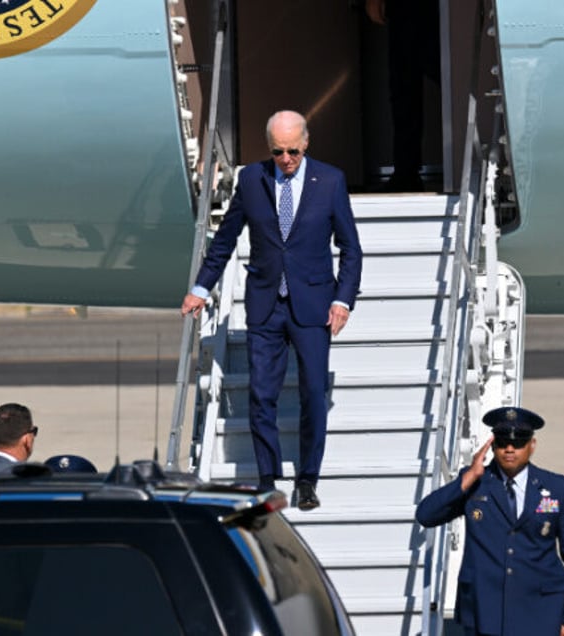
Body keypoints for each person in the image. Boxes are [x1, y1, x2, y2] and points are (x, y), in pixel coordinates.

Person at [181, 110, 363, 510]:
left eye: (293, 151)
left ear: (306, 143)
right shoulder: (251, 179)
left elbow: (351, 249)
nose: (286, 159)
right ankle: (267, 477)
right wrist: (200, 287)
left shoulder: (329, 181)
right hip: (266, 304)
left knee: (314, 393)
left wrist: (342, 300)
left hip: (313, 305)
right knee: (262, 395)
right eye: (278, 152)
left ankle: (308, 479)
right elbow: (225, 239)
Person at [416, 407, 564, 636]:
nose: (509, 449)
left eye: (518, 443)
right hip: (486, 611)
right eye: (503, 442)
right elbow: (426, 515)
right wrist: (467, 478)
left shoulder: (557, 488)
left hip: (541, 611)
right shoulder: (475, 484)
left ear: (532, 445)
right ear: (493, 445)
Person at [365, 0, 441, 192]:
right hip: (407, 9)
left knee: (452, 80)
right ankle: (406, 173)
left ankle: (407, 173)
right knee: (404, 88)